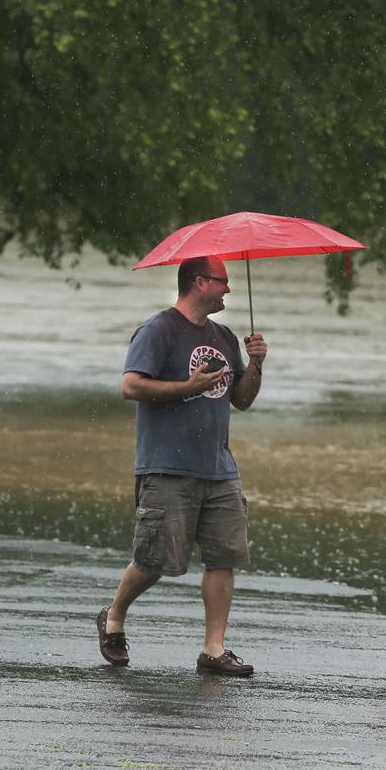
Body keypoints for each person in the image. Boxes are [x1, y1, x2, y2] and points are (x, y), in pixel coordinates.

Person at [96, 256, 267, 677]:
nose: (227, 289)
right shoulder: (158, 330)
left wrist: (257, 362)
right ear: (197, 282)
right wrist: (187, 387)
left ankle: (214, 650)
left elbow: (242, 399)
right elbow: (130, 386)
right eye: (221, 281)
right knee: (155, 560)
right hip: (167, 466)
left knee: (223, 557)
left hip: (220, 468)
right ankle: (114, 614)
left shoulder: (225, 337)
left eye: (229, 282)